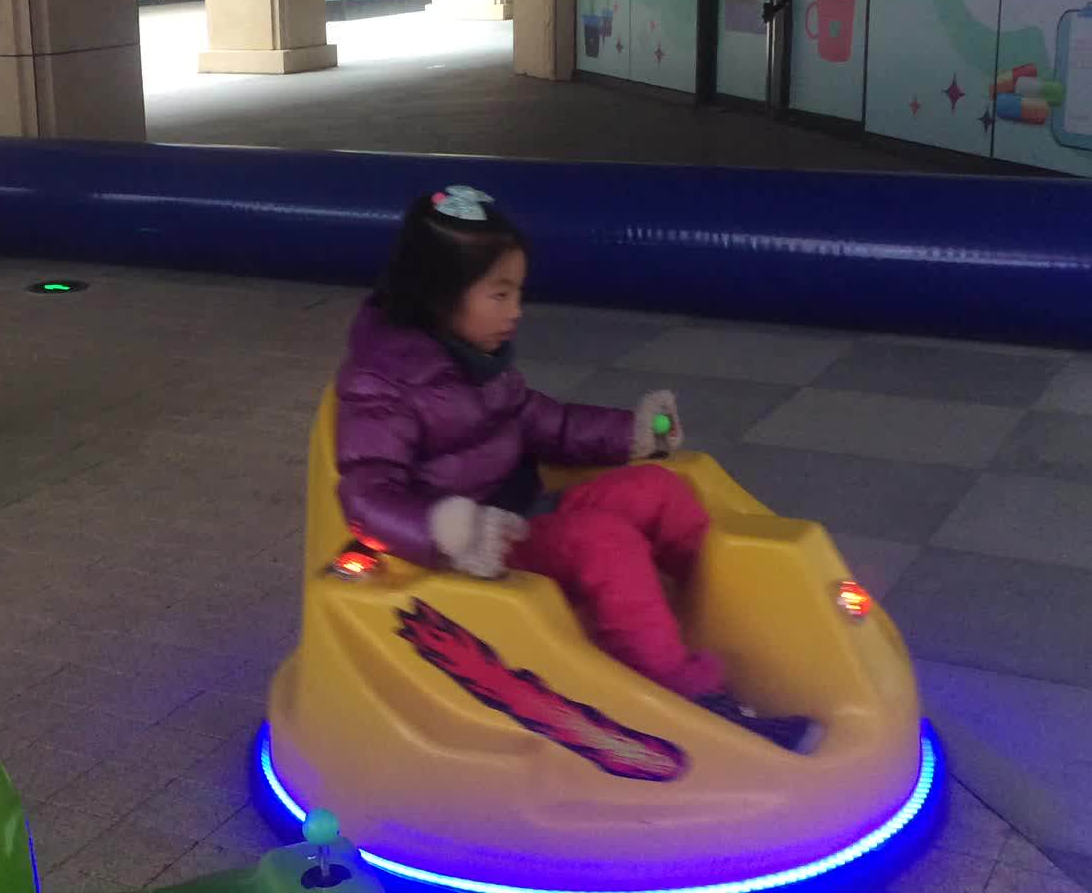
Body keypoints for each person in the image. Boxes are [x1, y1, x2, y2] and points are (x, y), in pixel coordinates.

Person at [334, 186, 822, 754]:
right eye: (500, 294)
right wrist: (450, 530)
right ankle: (684, 698)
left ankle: (727, 616)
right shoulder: (380, 384)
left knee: (659, 489)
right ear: (439, 295)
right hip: (477, 546)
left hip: (527, 509)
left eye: (518, 293)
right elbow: (367, 492)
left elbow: (540, 420)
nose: (516, 311)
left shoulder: (478, 359)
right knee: (603, 542)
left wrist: (629, 433)